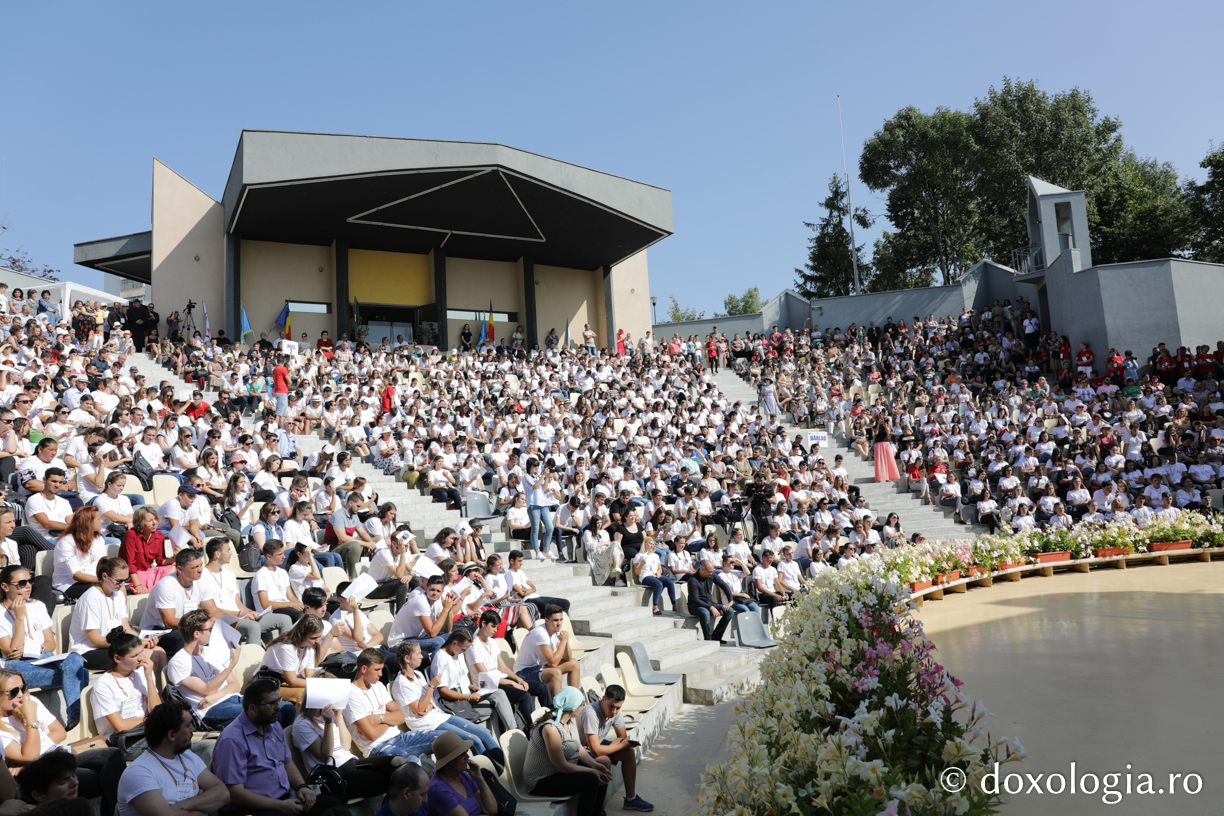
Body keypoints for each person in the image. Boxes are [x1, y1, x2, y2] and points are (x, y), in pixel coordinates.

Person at [0, 668, 126, 816]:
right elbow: (32, 757)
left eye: (23, 687)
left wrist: (28, 755)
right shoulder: (14, 720)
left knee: (112, 755)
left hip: (58, 755)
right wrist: (31, 720)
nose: (21, 695)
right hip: (41, 773)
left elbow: (60, 732)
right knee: (106, 777)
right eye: (14, 691)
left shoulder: (30, 701)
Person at [211, 677, 345, 816]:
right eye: (271, 704)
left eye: (278, 700)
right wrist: (280, 806)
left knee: (334, 807)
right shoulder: (232, 740)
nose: (278, 707)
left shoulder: (272, 725)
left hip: (283, 799)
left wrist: (301, 787)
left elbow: (287, 762)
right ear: (252, 708)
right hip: (252, 808)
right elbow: (234, 794)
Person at [0, 565, 89, 729]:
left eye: (30, 581)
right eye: (21, 583)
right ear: (5, 586)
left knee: (75, 659)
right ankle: (76, 719)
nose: (28, 585)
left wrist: (36, 648)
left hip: (43, 658)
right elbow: (12, 651)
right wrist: (19, 618)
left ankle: (74, 718)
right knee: (80, 673)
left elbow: (51, 644)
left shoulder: (38, 605)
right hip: (16, 667)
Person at [291, 670, 405, 798]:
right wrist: (329, 724)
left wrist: (338, 716)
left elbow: (346, 746)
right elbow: (326, 756)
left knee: (398, 764)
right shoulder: (302, 724)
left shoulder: (331, 714)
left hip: (350, 762)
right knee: (390, 780)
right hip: (332, 772)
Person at [115, 700, 230, 816]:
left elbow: (223, 793)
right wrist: (203, 803)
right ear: (172, 735)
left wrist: (179, 806)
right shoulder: (139, 772)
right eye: (188, 725)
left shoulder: (187, 756)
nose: (193, 729)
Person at [389, 640, 499, 759]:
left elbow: (431, 701)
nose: (422, 656)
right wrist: (432, 686)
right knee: (474, 740)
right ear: (407, 658)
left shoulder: (418, 674)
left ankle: (501, 768)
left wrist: (427, 705)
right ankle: (491, 773)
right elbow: (419, 709)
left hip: (439, 715)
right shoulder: (401, 683)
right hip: (427, 724)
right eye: (418, 654)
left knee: (485, 733)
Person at [69, 556, 168, 673]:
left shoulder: (118, 594)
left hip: (114, 646)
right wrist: (133, 645)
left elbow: (126, 628)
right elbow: (94, 640)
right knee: (149, 656)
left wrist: (142, 640)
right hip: (87, 652)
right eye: (119, 580)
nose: (122, 585)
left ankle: (158, 691)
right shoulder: (91, 598)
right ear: (105, 576)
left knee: (160, 652)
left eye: (125, 580)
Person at [521, 686, 609, 816]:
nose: (583, 707)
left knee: (601, 771)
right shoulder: (550, 728)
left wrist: (594, 765)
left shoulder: (571, 719)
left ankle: (597, 813)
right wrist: (591, 770)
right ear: (573, 707)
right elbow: (562, 766)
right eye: (582, 704)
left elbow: (577, 747)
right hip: (541, 780)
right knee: (591, 779)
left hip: (559, 772)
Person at [344, 648, 438, 761]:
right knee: (414, 763)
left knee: (446, 740)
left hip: (400, 737)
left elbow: (401, 717)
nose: (381, 674)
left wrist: (378, 718)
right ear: (364, 668)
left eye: (382, 669)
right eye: (377, 670)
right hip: (379, 748)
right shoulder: (351, 694)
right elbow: (371, 735)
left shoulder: (378, 686)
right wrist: (390, 720)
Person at [165, 609, 251, 731]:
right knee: (261, 713)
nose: (214, 632)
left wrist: (218, 694)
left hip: (233, 699)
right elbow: (207, 690)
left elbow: (235, 684)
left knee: (284, 709)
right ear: (196, 634)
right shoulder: (178, 662)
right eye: (211, 629)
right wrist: (233, 663)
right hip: (210, 711)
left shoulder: (211, 651)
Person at [199, 538, 293, 645]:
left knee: (284, 619)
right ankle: (255, 660)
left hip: (239, 616)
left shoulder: (229, 574)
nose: (231, 553)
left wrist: (250, 612)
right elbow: (212, 610)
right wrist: (240, 614)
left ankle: (284, 654)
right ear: (217, 554)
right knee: (253, 626)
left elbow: (238, 603)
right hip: (223, 620)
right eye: (228, 550)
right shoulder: (202, 577)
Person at [577, 685, 653, 812]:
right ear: (603, 699)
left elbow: (622, 737)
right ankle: (600, 809)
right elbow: (595, 750)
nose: (614, 711)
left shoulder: (616, 710)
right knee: (605, 760)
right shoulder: (591, 713)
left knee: (628, 752)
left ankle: (631, 799)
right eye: (611, 706)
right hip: (581, 751)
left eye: (618, 708)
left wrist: (615, 747)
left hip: (597, 745)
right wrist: (617, 746)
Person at [91, 629, 162, 746]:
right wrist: (154, 720)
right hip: (122, 740)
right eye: (135, 655)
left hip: (146, 732)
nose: (141, 658)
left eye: (141, 652)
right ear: (117, 658)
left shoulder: (143, 672)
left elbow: (155, 710)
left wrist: (149, 677)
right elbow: (120, 726)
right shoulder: (103, 684)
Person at [465, 609, 535, 728]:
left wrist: (519, 680)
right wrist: (512, 683)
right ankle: (532, 730)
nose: (495, 630)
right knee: (524, 696)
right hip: (486, 685)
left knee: (540, 687)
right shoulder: (473, 647)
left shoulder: (492, 642)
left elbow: (503, 667)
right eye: (493, 626)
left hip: (500, 679)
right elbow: (485, 676)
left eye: (496, 627)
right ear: (483, 624)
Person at [139, 547, 205, 658]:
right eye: (195, 567)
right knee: (186, 636)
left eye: (201, 565)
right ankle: (180, 671)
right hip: (156, 632)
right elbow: (169, 623)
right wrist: (200, 625)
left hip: (185, 626)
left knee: (217, 631)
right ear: (180, 569)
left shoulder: (200, 580)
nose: (200, 570)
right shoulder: (166, 586)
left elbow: (212, 609)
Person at [258, 614, 335, 708]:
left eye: (320, 637)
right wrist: (319, 684)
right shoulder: (286, 648)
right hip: (269, 686)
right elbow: (292, 681)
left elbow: (310, 676)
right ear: (302, 634)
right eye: (314, 638)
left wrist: (322, 684)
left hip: (283, 684)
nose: (318, 641)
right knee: (305, 694)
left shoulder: (309, 647)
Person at [513, 604, 578, 709]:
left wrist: (565, 642)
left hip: (539, 668)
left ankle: (575, 702)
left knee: (574, 664)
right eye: (556, 620)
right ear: (547, 620)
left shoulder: (554, 631)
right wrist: (563, 641)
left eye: (561, 619)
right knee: (555, 672)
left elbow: (568, 658)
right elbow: (553, 663)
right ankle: (558, 709)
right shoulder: (541, 633)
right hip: (524, 673)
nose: (559, 623)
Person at [426, 731, 499, 816]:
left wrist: (479, 779)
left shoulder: (463, 775)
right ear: (447, 762)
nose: (467, 756)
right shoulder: (438, 789)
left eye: (466, 751)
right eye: (461, 754)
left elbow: (491, 809)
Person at [388, 575, 457, 661]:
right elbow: (432, 634)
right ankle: (435, 671)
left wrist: (449, 609)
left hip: (415, 638)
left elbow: (447, 630)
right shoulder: (421, 602)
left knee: (454, 636)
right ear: (426, 588)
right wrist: (445, 610)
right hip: (399, 643)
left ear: (442, 592)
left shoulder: (435, 601)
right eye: (432, 589)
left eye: (438, 591)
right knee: (438, 642)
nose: (435, 593)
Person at [52, 506, 107, 601]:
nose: (102, 521)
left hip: (96, 580)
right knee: (101, 590)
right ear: (87, 523)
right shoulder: (66, 542)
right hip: (69, 584)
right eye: (98, 519)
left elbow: (104, 563)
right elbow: (76, 575)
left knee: (120, 587)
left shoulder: (99, 539)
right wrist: (104, 581)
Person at [118, 506, 172, 595]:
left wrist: (174, 558)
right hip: (132, 575)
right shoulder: (130, 535)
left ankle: (158, 589)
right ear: (141, 523)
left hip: (147, 572)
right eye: (150, 521)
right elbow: (130, 564)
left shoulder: (159, 535)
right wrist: (138, 585)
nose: (154, 522)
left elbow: (160, 561)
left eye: (155, 519)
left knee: (176, 567)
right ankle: (155, 590)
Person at [684, 560, 733, 643]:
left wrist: (730, 600)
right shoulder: (693, 580)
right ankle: (708, 638)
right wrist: (711, 607)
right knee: (705, 612)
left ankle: (716, 636)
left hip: (709, 603)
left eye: (712, 571)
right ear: (703, 569)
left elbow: (724, 585)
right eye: (709, 572)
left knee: (730, 611)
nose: (711, 574)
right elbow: (695, 600)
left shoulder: (711, 575)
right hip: (695, 606)